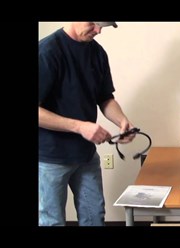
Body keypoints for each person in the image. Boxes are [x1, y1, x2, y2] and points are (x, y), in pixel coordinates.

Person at [39, 22, 135, 226]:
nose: (98, 31)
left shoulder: (98, 53)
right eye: (93, 23)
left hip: (86, 155)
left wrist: (122, 120)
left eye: (104, 26)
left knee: (95, 216)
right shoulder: (47, 51)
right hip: (50, 158)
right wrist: (80, 126)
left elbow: (105, 98)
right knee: (52, 221)